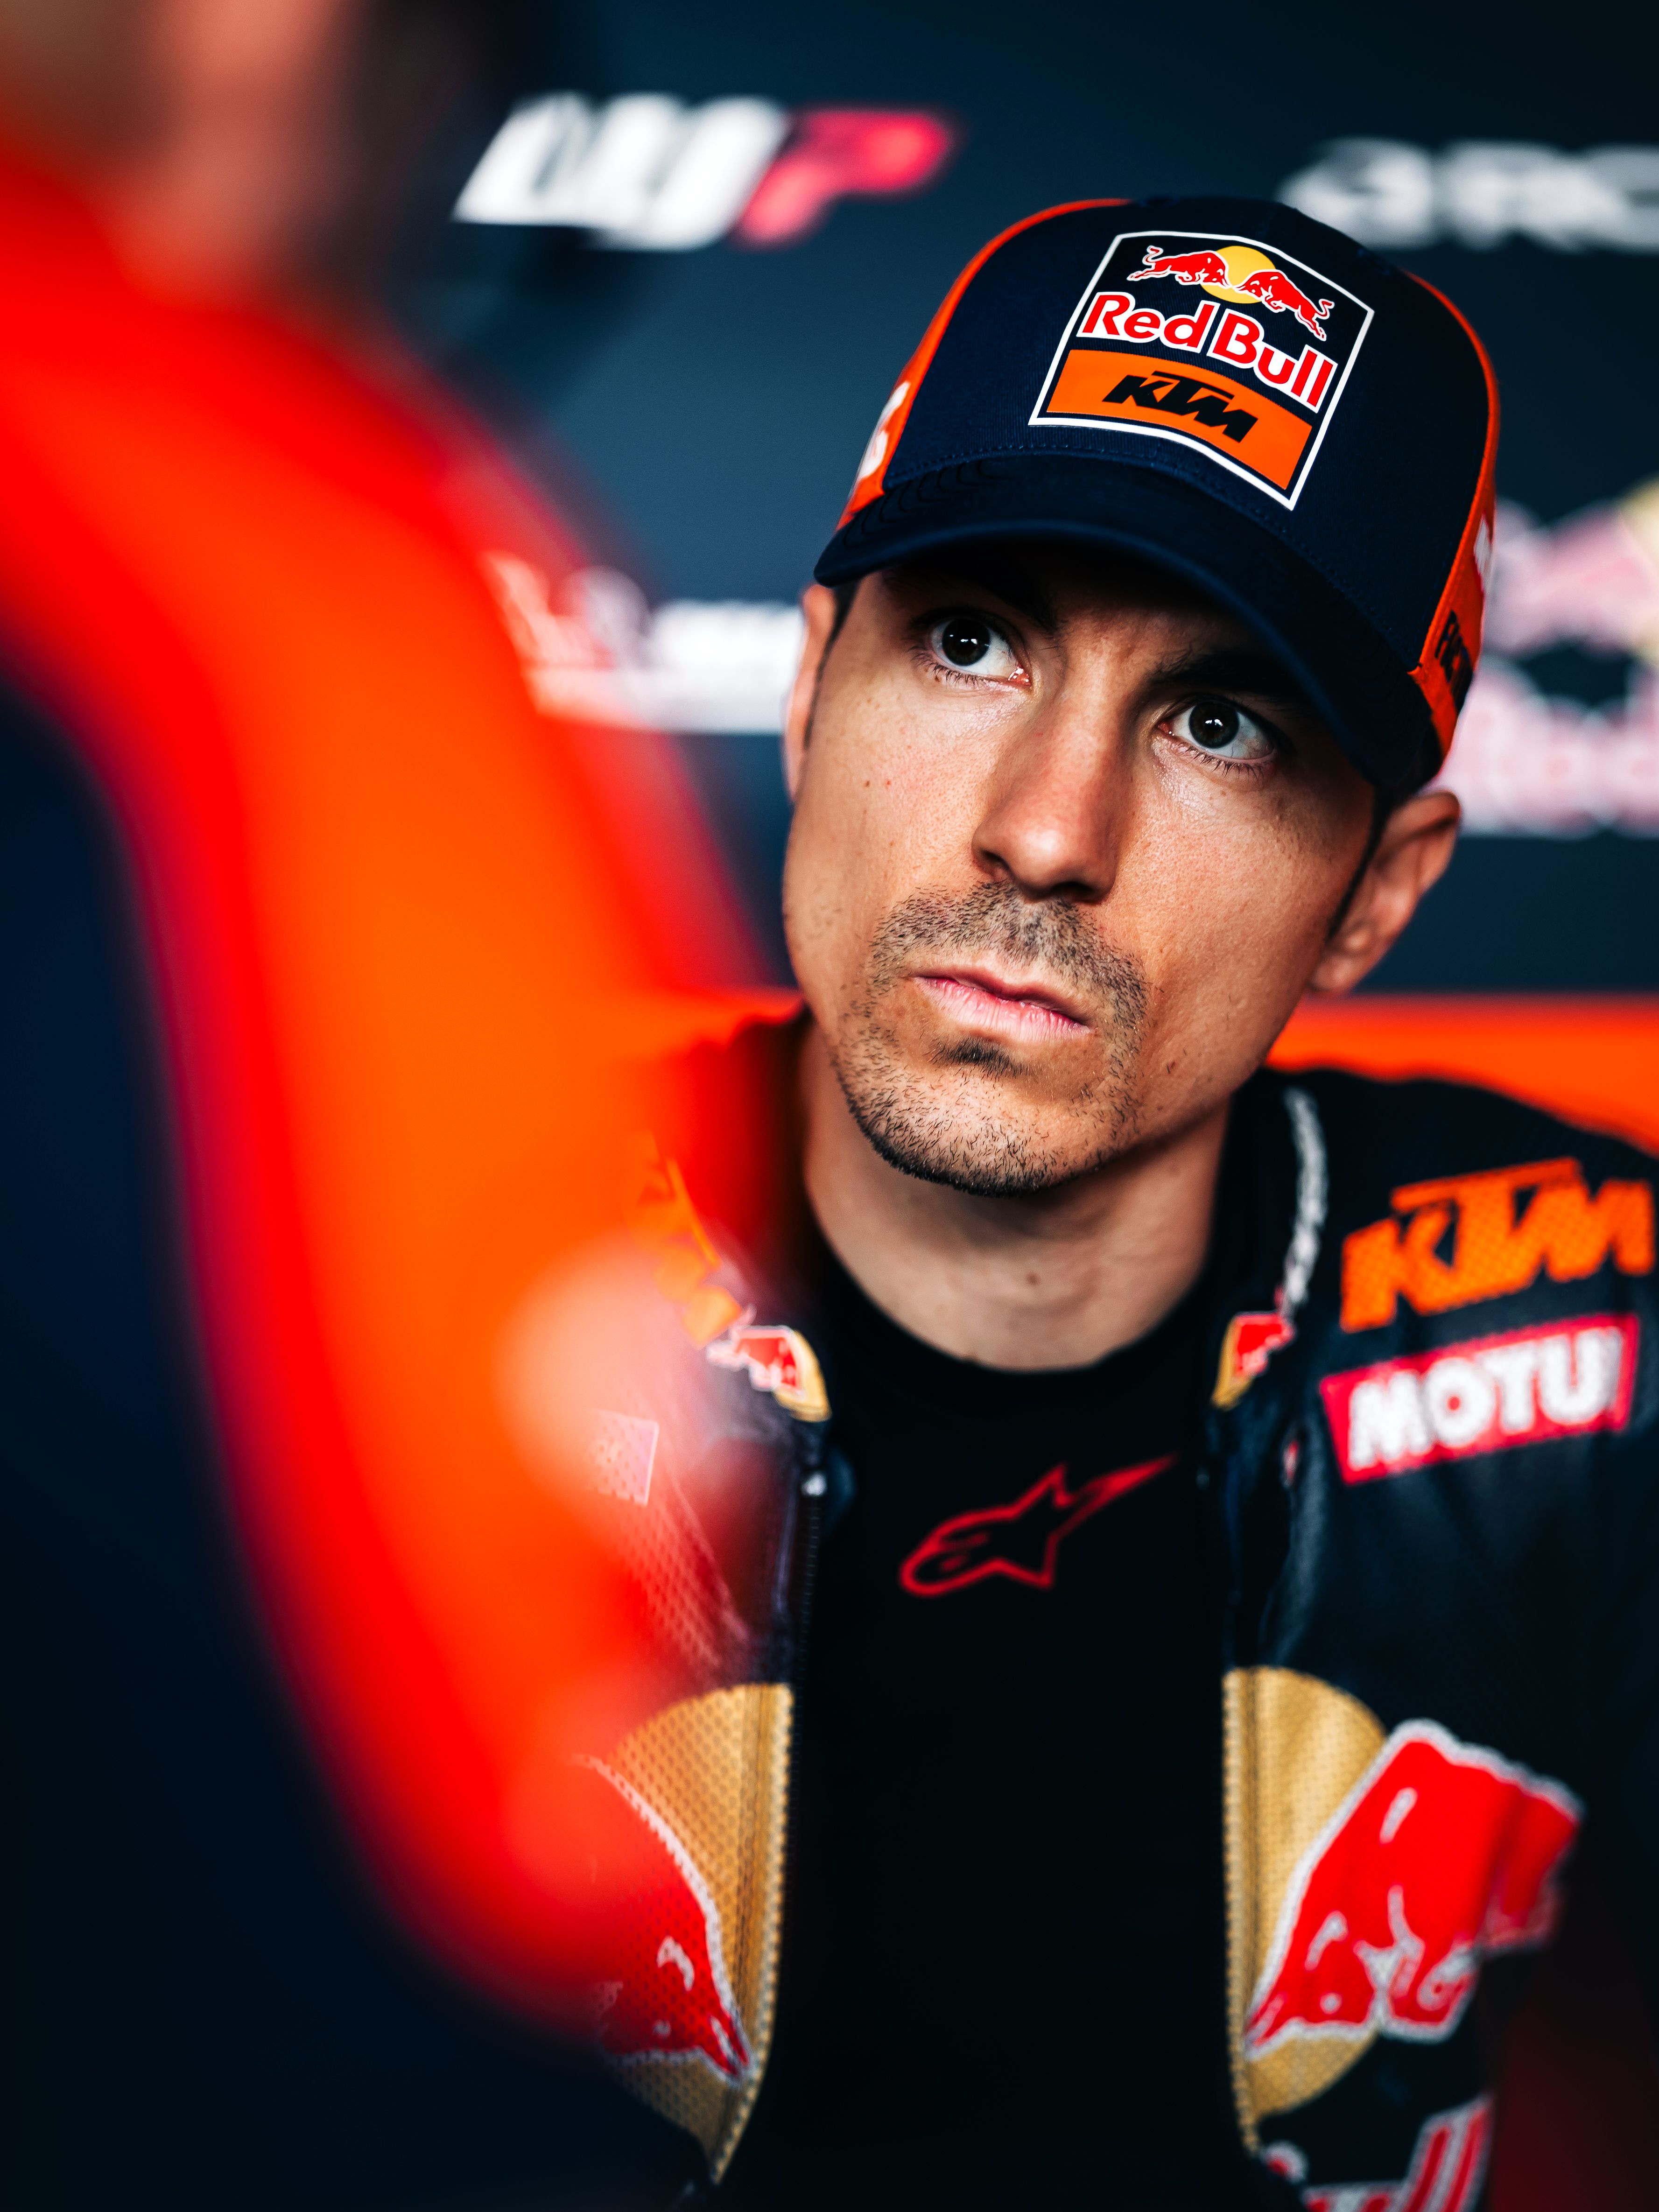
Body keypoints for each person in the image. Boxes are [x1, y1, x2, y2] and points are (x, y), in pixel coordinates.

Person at [553, 197, 1659, 2211]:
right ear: (807, 692)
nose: (1048, 830)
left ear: (1378, 893)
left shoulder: (1589, 1324)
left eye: (1220, 723)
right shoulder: (397, 1245)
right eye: (971, 641)